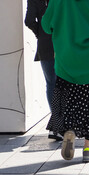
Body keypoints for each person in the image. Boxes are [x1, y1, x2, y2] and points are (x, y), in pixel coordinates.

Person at [41, 0, 89, 162]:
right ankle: (88, 149)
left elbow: (46, 24)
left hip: (66, 59)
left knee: (67, 103)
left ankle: (69, 131)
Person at [24, 0, 61, 141]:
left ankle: (56, 123)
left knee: (51, 83)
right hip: (60, 42)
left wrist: (39, 32)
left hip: (44, 43)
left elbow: (28, 21)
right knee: (62, 83)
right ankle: (59, 124)